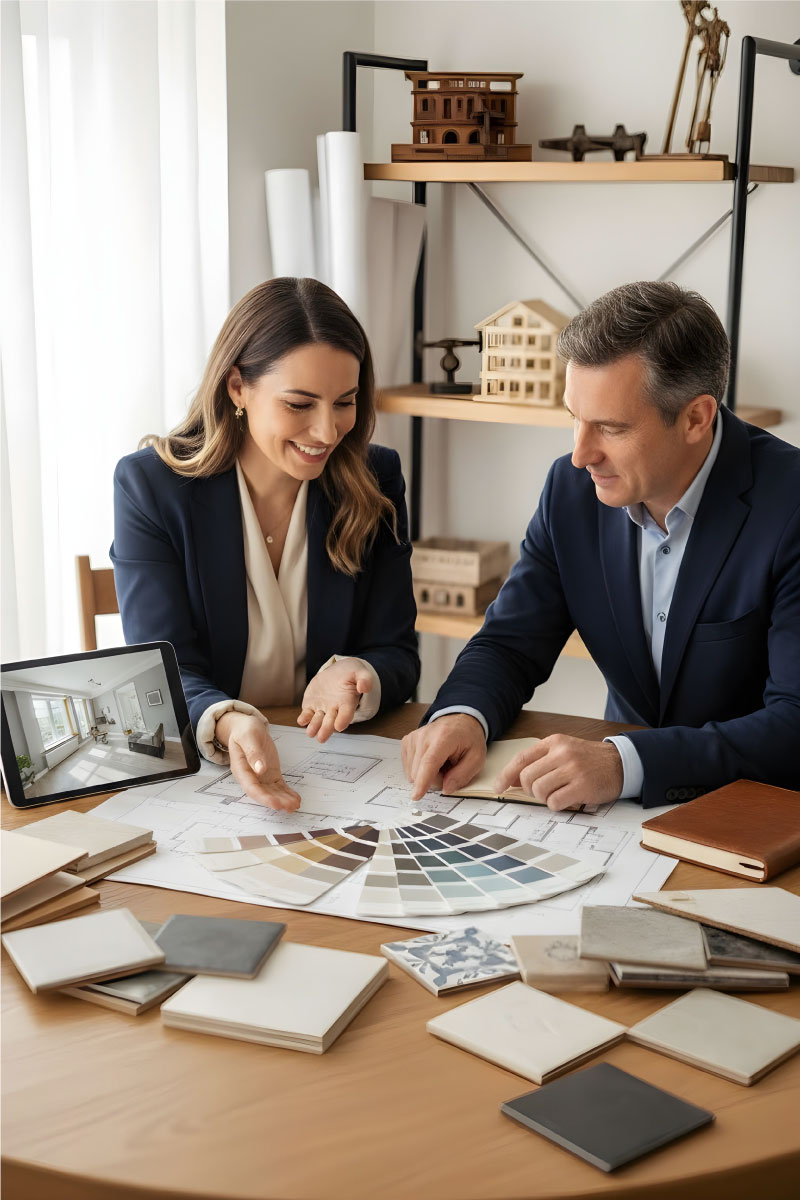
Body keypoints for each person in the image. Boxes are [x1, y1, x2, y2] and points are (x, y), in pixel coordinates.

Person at [402, 281, 800, 810]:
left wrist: (624, 762)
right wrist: (462, 713)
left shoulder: (791, 508)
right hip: (613, 819)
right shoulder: (570, 492)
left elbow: (794, 723)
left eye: (610, 428)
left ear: (696, 418)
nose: (580, 454)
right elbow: (510, 643)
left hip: (753, 815)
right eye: (574, 418)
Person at [112, 277, 419, 811]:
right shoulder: (151, 487)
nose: (327, 432)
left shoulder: (377, 477)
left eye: (344, 402)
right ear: (237, 388)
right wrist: (227, 723)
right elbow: (161, 670)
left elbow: (397, 653)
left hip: (337, 771)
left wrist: (361, 673)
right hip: (207, 771)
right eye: (300, 404)